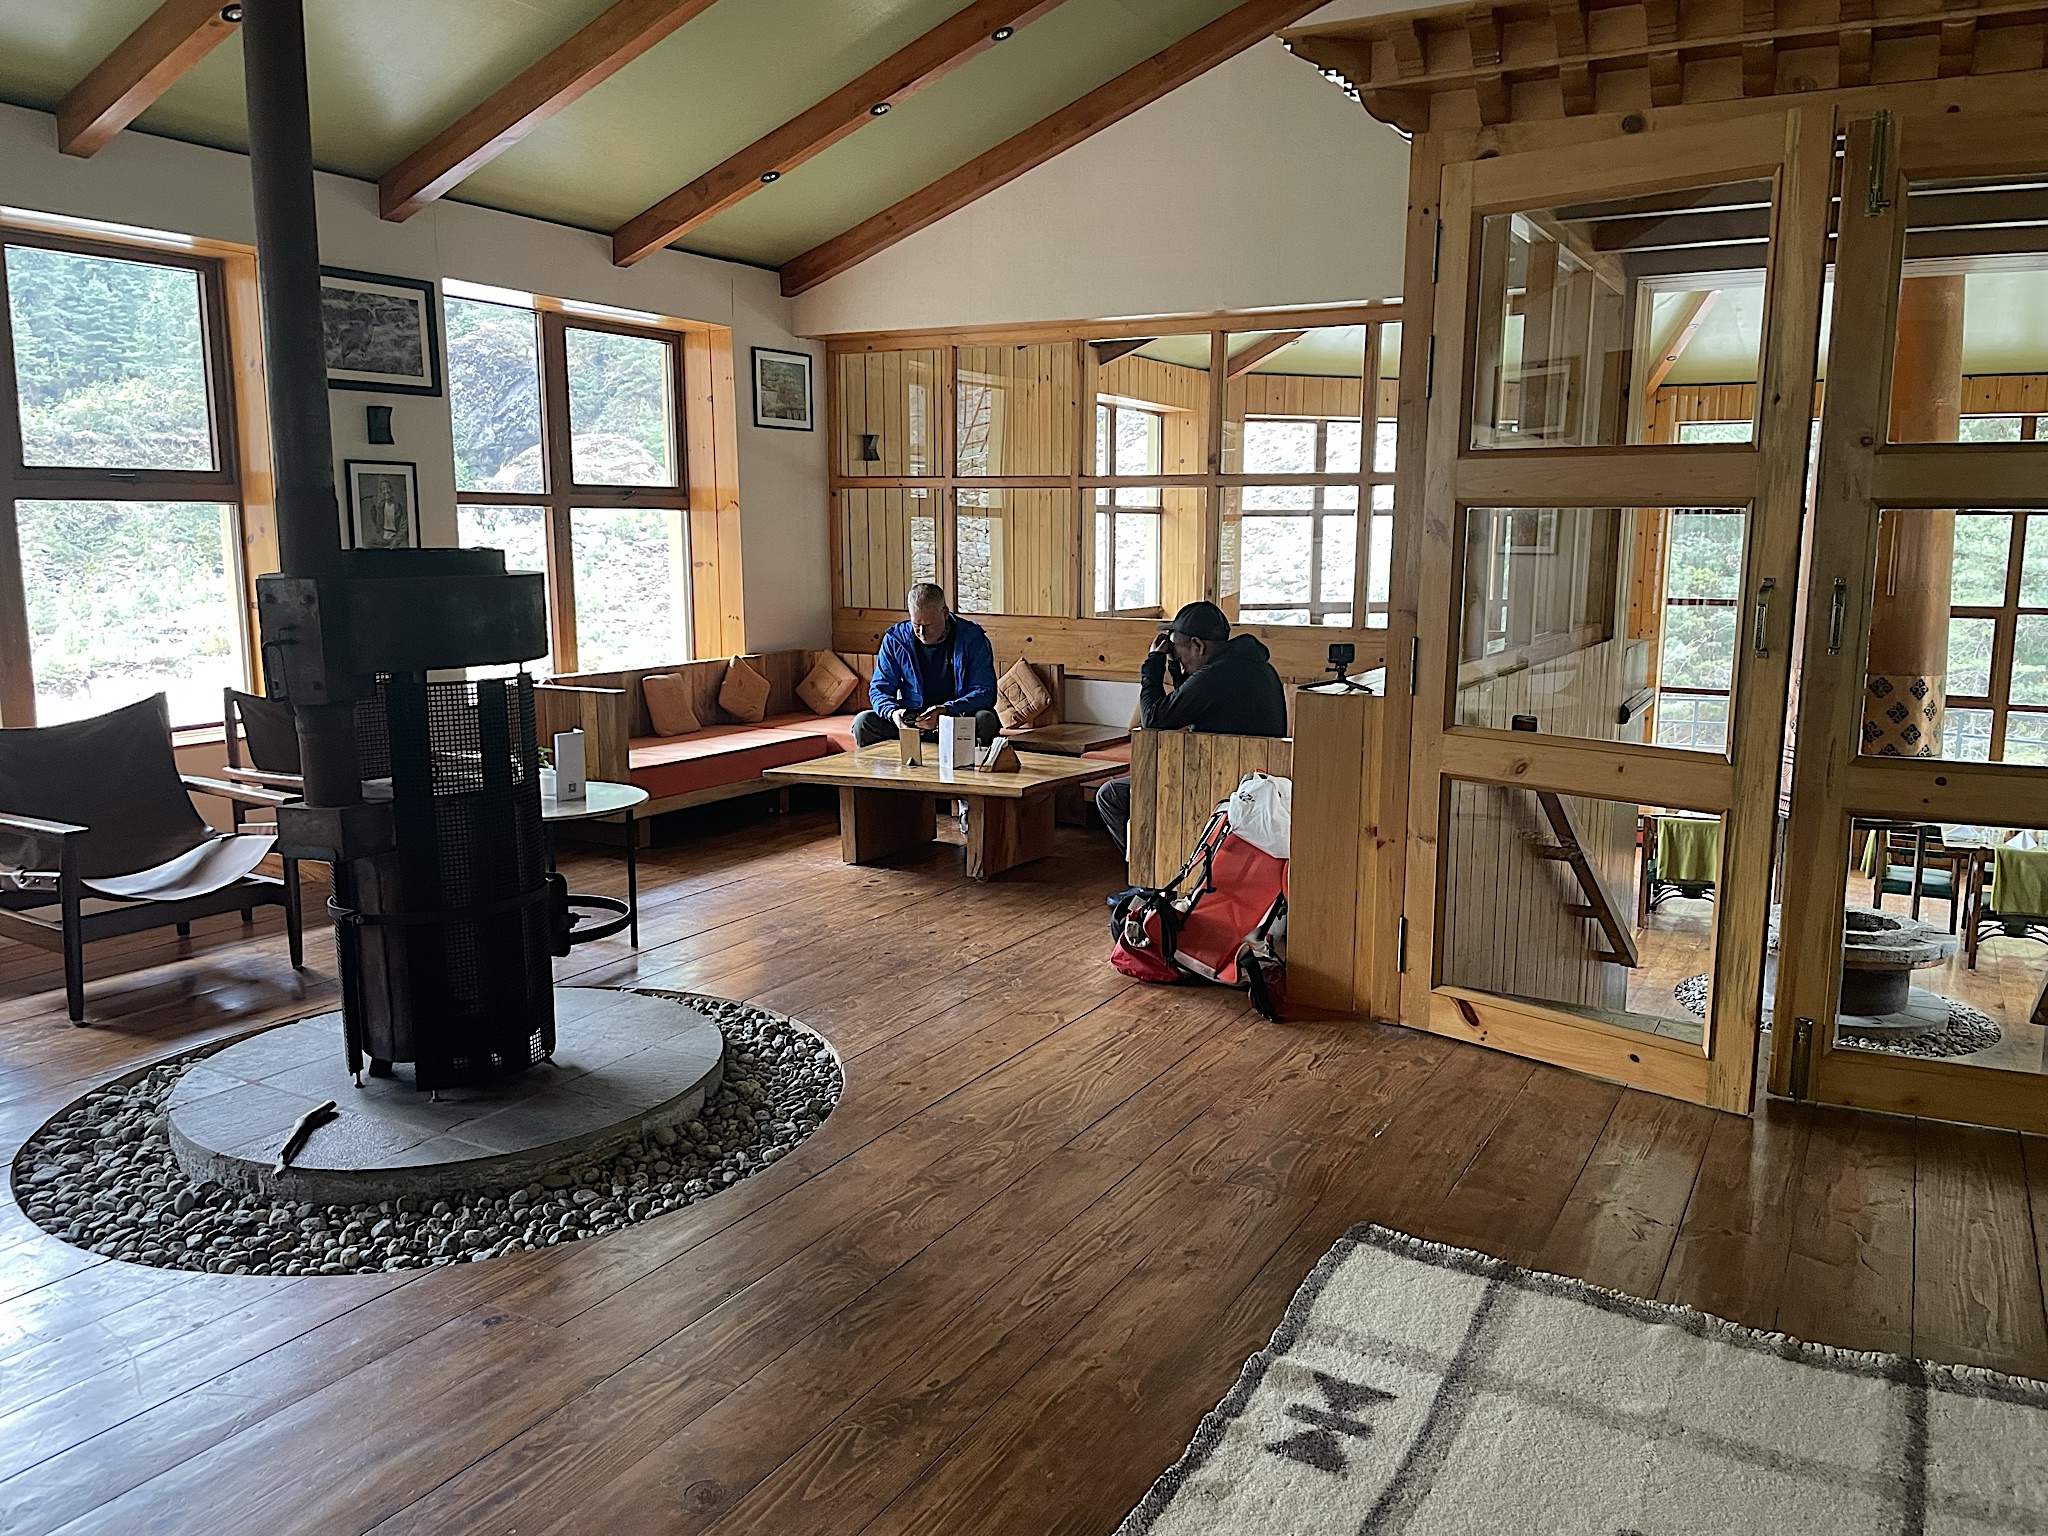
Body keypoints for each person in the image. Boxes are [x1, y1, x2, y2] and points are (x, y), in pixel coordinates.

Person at [1096, 600, 1288, 853]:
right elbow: (1187, 702)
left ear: (1198, 645)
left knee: (1112, 794)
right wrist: (1176, 667)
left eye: (1177, 650)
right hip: (1255, 782)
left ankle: (1147, 881)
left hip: (1217, 782)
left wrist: (1153, 663)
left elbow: (1154, 719)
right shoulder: (1251, 665)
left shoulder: (1216, 675)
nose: (1176, 657)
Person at [852, 583, 1001, 749]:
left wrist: (946, 710)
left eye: (928, 625)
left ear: (944, 613)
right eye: (916, 625)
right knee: (863, 722)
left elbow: (985, 692)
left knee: (986, 719)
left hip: (956, 717)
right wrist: (894, 713)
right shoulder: (895, 639)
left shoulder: (972, 638)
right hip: (913, 720)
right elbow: (879, 690)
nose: (921, 632)